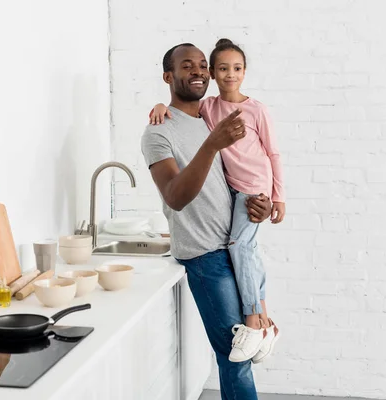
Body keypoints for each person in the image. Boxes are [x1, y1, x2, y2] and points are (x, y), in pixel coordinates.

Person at [141, 42, 272, 400]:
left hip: (234, 245)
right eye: (187, 66)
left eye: (202, 65)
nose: (198, 71)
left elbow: (234, 177)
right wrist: (211, 145)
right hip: (204, 256)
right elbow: (176, 196)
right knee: (235, 356)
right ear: (168, 76)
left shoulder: (212, 118)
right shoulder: (159, 131)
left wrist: (256, 205)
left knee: (244, 349)